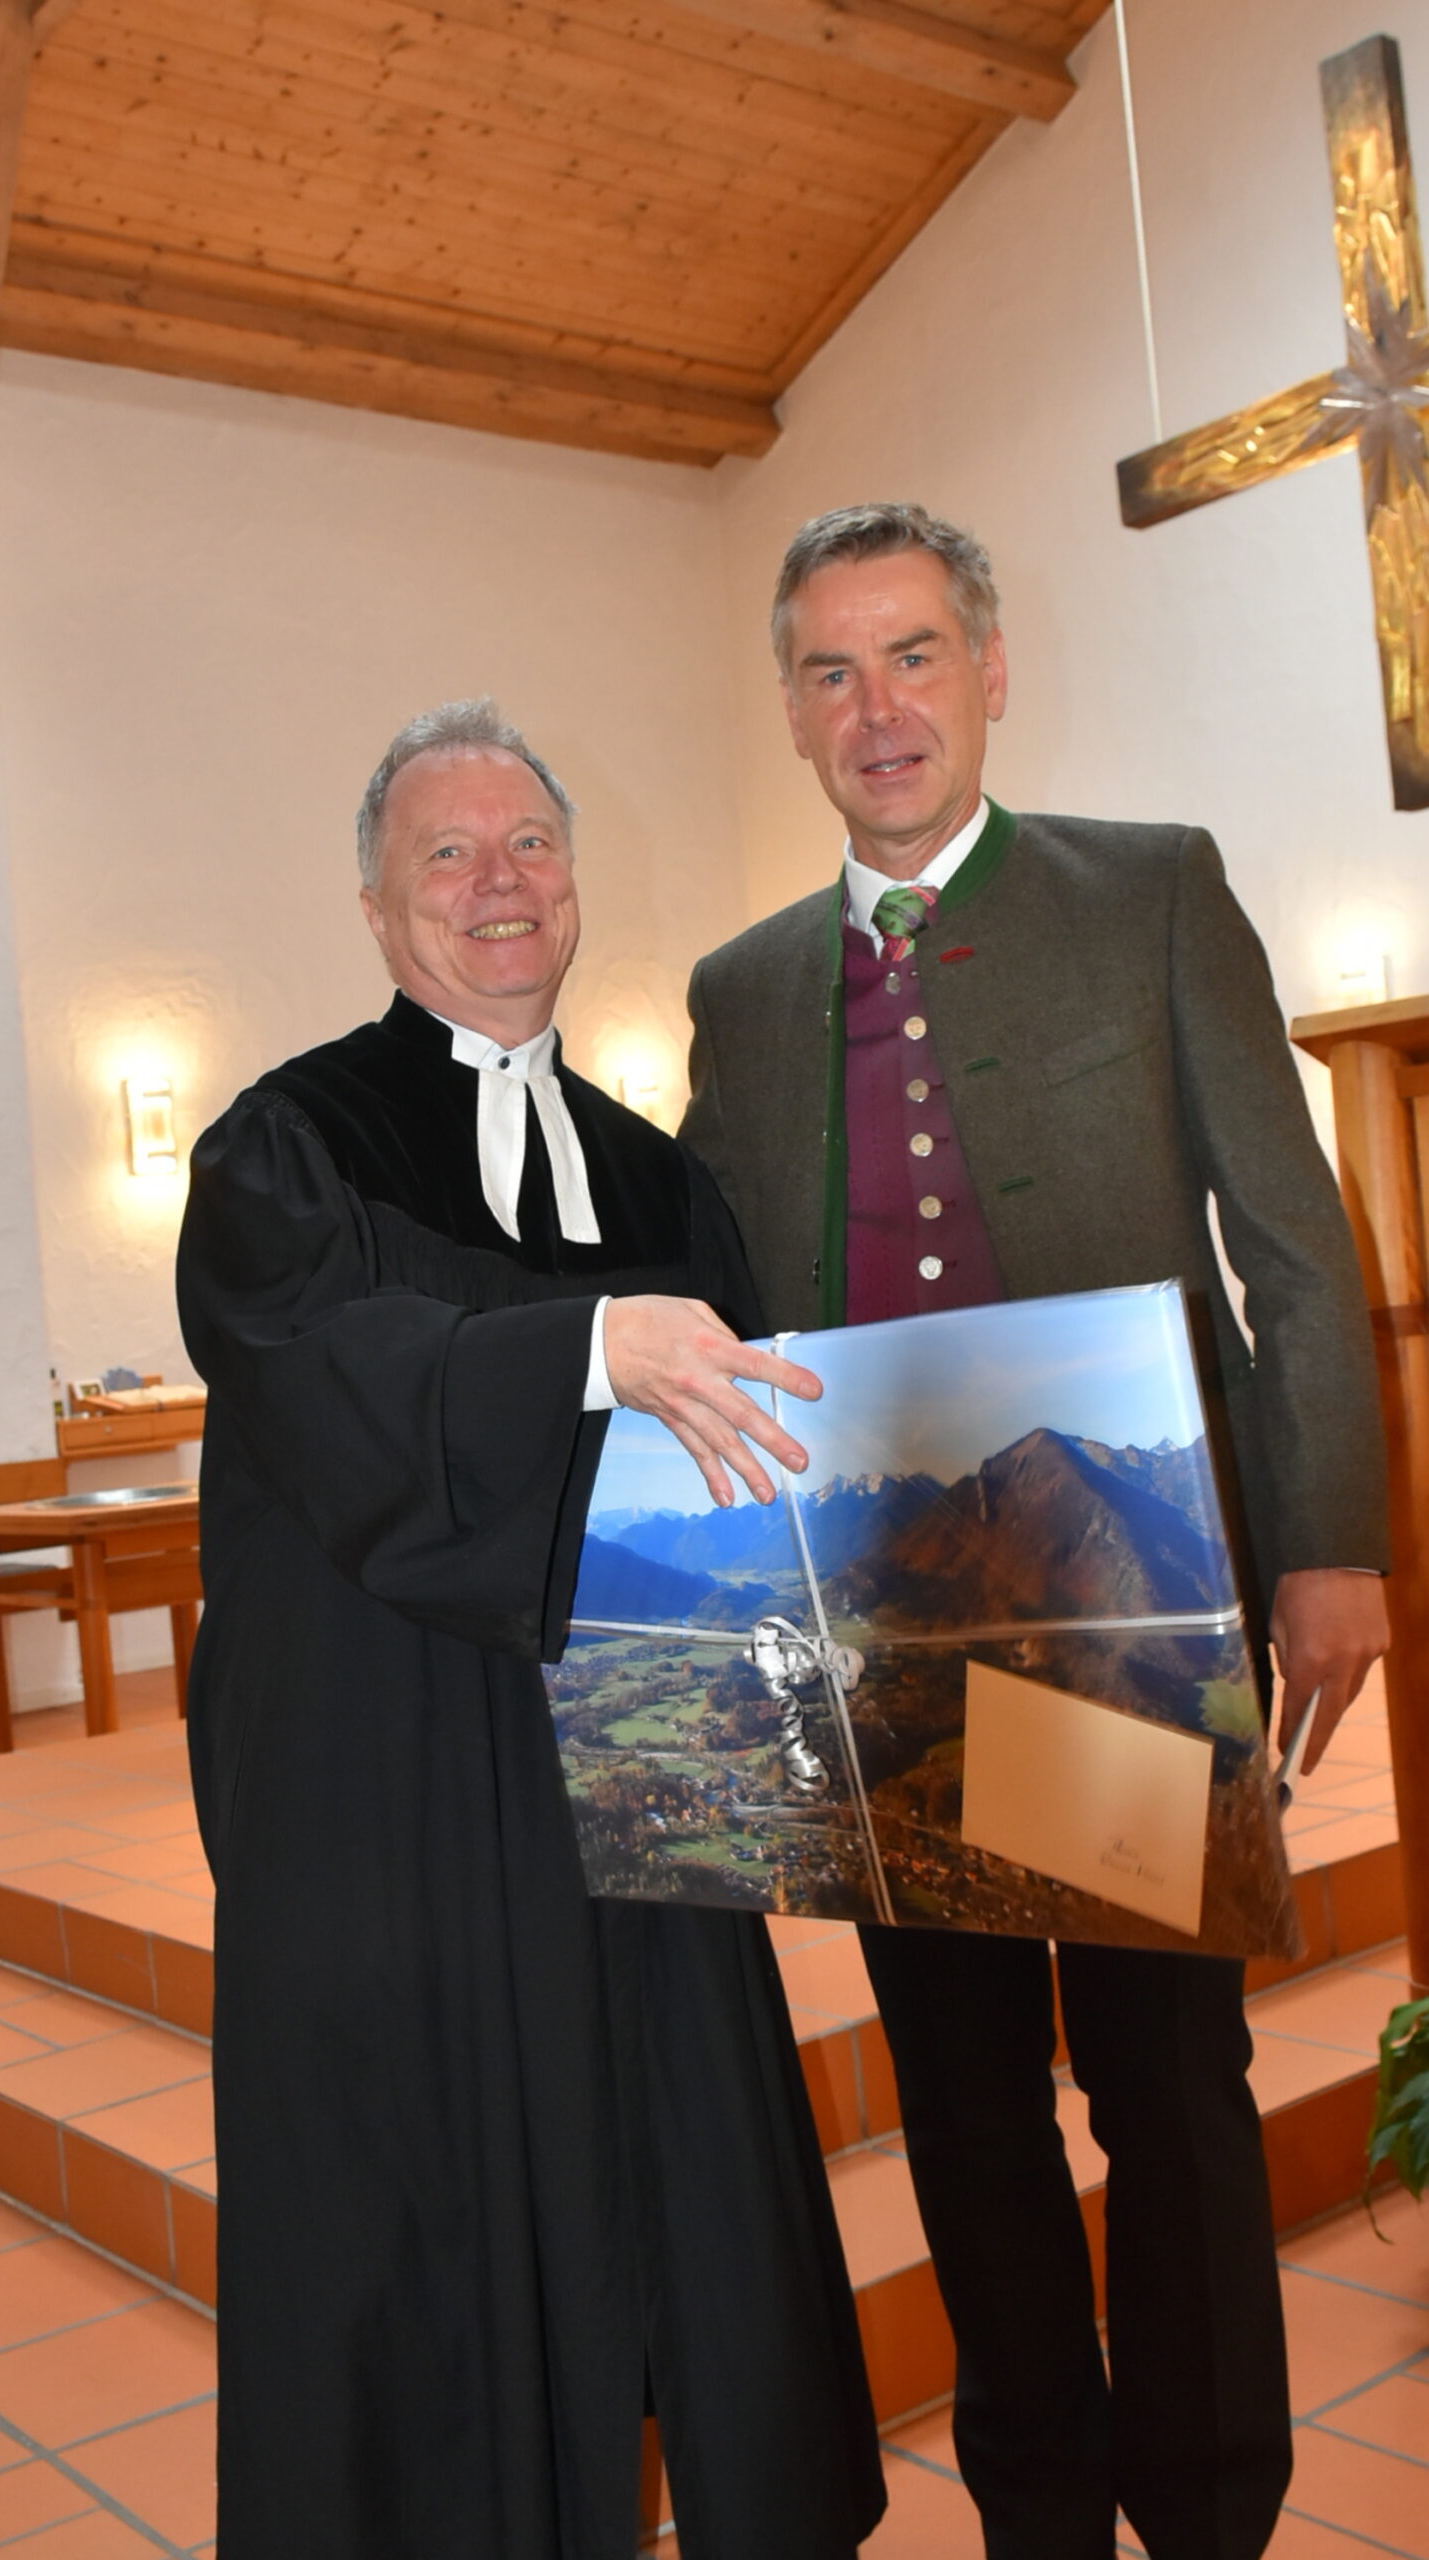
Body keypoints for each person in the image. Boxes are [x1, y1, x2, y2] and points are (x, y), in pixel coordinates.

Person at [680, 504, 1391, 2560]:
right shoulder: (742, 989)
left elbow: (1293, 1246)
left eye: (914, 654)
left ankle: (1213, 2507)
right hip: (883, 1614)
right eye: (831, 670)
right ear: (791, 709)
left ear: (989, 670)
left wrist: (1327, 1538)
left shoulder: (1151, 891)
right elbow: (719, 1309)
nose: (877, 706)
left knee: (1166, 2090)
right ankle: (1041, 2519)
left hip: (1125, 1587)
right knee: (967, 2110)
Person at [176, 699, 885, 2560]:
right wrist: (588, 1349)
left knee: (673, 2207)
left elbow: (767, 1472)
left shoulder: (661, 1180)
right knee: (420, 2242)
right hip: (391, 1795)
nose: (499, 885)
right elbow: (332, 1379)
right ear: (376, 903)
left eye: (531, 847)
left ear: (575, 885)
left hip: (638, 1796)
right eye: (449, 853)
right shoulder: (286, 1144)